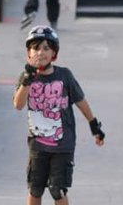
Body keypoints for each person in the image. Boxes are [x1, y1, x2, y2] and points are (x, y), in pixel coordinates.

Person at [12, 26, 105, 205]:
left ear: (54, 53)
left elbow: (80, 101)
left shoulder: (64, 75)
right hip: (37, 145)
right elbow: (18, 104)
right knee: (35, 189)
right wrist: (28, 79)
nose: (41, 52)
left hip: (63, 145)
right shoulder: (26, 78)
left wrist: (94, 125)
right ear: (29, 53)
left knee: (58, 190)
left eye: (46, 48)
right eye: (36, 48)